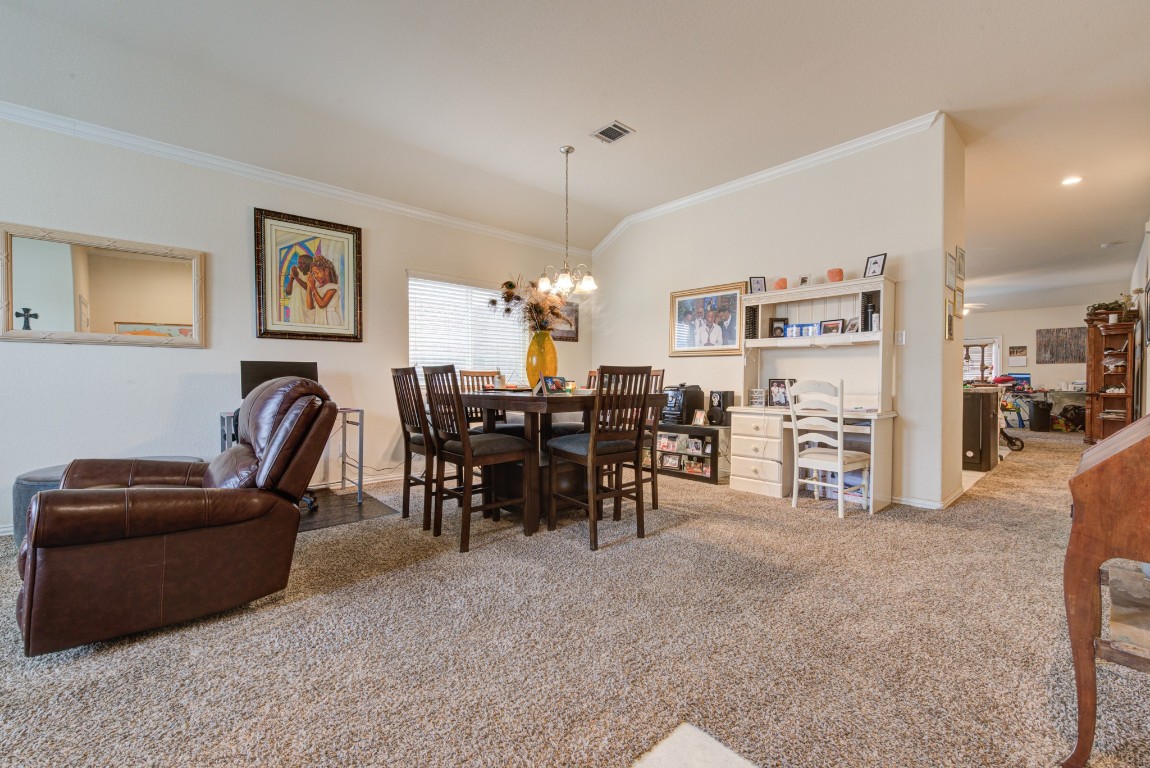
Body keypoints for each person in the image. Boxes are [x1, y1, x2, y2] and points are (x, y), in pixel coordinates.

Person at [307, 248, 343, 326]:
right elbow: (310, 306)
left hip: (330, 320)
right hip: (319, 319)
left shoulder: (333, 287)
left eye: (317, 272)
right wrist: (309, 286)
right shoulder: (317, 288)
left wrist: (313, 287)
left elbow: (322, 304)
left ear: (326, 271)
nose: (315, 276)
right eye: (313, 274)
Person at [283, 252, 315, 324]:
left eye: (303, 263)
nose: (299, 265)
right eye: (299, 262)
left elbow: (309, 288)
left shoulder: (313, 275)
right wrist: (292, 279)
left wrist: (296, 277)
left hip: (308, 312)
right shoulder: (296, 272)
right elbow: (288, 292)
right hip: (296, 309)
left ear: (310, 265)